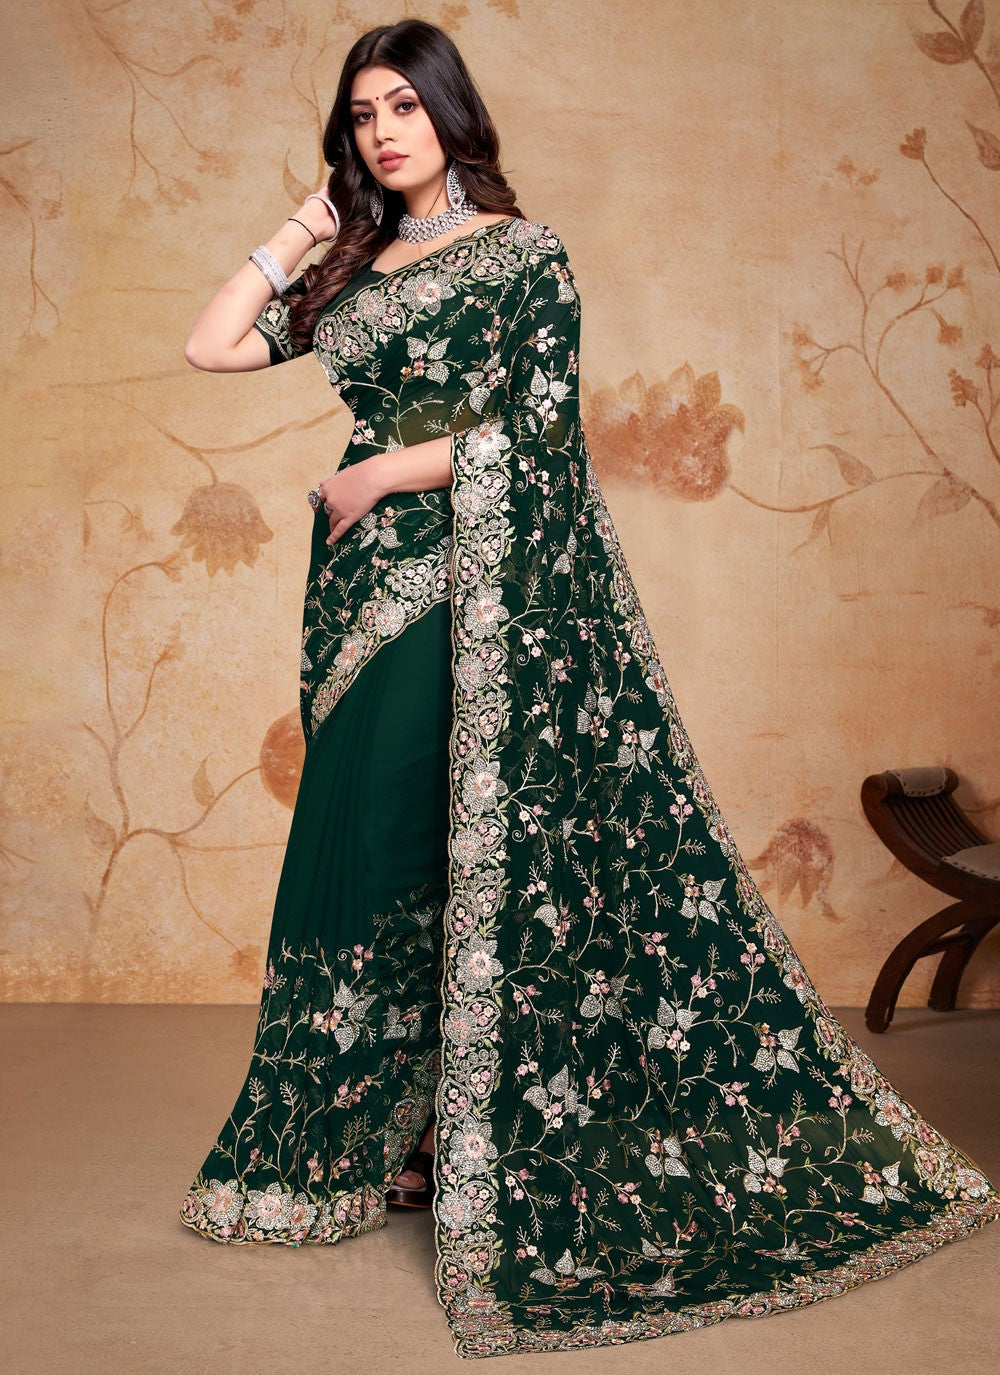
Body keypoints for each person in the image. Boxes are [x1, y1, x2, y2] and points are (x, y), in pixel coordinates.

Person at [176, 16, 1000, 1360]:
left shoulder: (522, 255)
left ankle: (461, 1133)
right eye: (363, 114)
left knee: (422, 841)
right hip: (353, 600)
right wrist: (300, 226)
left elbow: (543, 427)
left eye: (403, 106)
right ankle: (397, 1135)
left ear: (450, 112)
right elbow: (212, 347)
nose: (385, 132)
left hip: (467, 587)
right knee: (368, 846)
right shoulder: (351, 266)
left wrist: (386, 469)